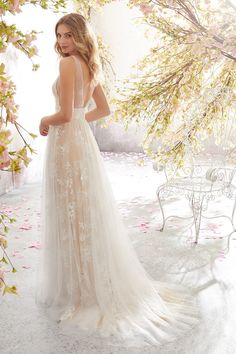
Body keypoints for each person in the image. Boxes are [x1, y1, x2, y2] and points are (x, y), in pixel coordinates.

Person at [36, 13, 198, 347]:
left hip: (67, 143)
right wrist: (79, 119)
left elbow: (65, 114)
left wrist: (45, 120)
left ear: (81, 36)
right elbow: (101, 109)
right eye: (60, 35)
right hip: (80, 140)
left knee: (72, 210)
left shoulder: (68, 65)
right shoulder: (89, 65)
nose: (63, 42)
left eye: (68, 35)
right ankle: (86, 280)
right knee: (82, 211)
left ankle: (78, 287)